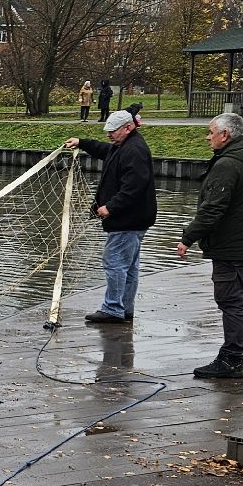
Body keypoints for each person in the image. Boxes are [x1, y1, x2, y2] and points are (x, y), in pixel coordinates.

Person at [178, 112, 243, 379]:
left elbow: (211, 210)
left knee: (231, 301)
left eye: (211, 132)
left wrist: (188, 237)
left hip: (229, 247)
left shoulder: (227, 165)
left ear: (225, 135)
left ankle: (231, 358)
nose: (207, 137)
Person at [65, 108, 157, 324]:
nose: (109, 134)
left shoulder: (134, 150)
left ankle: (113, 308)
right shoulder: (123, 145)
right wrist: (82, 142)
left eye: (113, 131)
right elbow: (106, 151)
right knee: (129, 266)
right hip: (134, 219)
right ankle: (125, 308)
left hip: (127, 219)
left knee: (114, 262)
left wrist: (111, 207)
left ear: (128, 127)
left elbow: (134, 186)